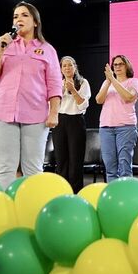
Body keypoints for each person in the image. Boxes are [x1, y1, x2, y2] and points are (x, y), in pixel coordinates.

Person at [0, 2, 62, 189]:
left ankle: (33, 210)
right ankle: (5, 213)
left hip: (35, 116)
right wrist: (1, 48)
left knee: (33, 169)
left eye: (24, 15)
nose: (19, 19)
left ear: (35, 22)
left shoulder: (47, 49)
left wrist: (54, 112)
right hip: (2, 114)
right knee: (5, 168)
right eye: (16, 16)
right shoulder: (4, 46)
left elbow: (55, 84)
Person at [96, 55, 138, 183]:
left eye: (121, 64)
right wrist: (109, 81)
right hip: (106, 127)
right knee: (110, 165)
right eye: (115, 65)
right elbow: (99, 100)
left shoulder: (133, 82)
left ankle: (126, 195)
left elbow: (128, 97)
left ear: (127, 66)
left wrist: (113, 80)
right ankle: (113, 195)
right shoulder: (107, 83)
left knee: (124, 164)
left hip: (126, 127)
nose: (117, 67)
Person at [52, 56, 91, 192]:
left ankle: (76, 192)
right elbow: (52, 105)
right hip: (60, 121)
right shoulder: (57, 83)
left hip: (76, 121)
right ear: (61, 69)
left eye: (70, 65)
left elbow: (82, 105)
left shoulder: (83, 82)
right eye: (64, 66)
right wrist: (62, 91)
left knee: (75, 159)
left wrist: (73, 90)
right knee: (61, 158)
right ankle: (62, 190)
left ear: (75, 67)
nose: (67, 68)